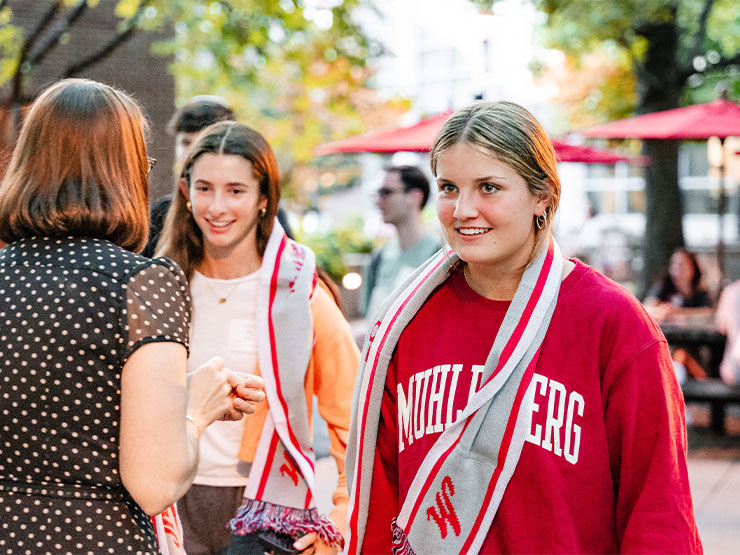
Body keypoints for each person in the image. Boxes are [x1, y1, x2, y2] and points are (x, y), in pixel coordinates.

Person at [345, 101, 702, 553]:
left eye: (489, 187)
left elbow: (658, 510)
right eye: (450, 187)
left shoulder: (612, 323)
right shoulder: (405, 323)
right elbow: (379, 496)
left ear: (542, 196)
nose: (463, 210)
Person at [0, 78, 265, 554]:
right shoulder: (141, 284)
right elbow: (156, 483)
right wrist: (195, 410)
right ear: (123, 172)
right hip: (95, 538)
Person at [156, 121, 359, 555]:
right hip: (167, 497)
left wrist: (342, 513)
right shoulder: (160, 286)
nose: (216, 206)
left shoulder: (302, 295)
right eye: (205, 188)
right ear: (186, 190)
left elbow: (355, 414)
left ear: (264, 198)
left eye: (235, 190)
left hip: (264, 507)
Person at [361, 165, 440, 318]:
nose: (378, 201)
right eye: (377, 194)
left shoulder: (441, 255)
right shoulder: (376, 260)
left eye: (386, 193)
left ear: (415, 196)